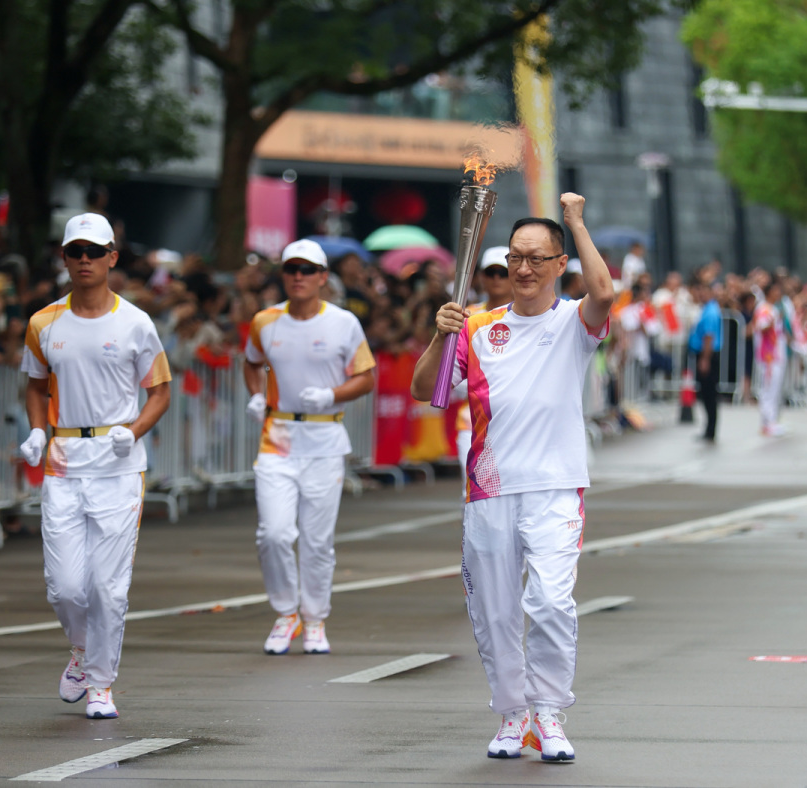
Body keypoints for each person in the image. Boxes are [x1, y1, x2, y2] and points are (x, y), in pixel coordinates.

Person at [410, 193, 614, 762]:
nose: (523, 269)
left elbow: (605, 293)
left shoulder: (574, 321)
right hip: (489, 490)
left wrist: (575, 220)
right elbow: (426, 391)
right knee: (495, 612)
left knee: (550, 602)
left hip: (553, 487)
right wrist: (438, 336)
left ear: (556, 266)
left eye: (536, 259)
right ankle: (511, 715)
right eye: (516, 257)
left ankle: (548, 712)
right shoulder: (475, 327)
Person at [18, 213, 171, 719]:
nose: (84, 260)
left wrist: (133, 430)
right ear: (64, 259)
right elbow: (35, 384)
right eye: (74, 252)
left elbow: (160, 391)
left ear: (112, 257)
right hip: (63, 462)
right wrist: (39, 430)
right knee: (64, 586)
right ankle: (82, 652)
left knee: (108, 586)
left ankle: (102, 683)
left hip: (119, 464)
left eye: (93, 252)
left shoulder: (134, 322)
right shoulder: (44, 322)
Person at [243, 238, 376, 656]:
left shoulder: (342, 323)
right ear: (284, 275)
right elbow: (251, 362)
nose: (298, 277)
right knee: (275, 533)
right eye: (291, 270)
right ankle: (287, 613)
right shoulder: (265, 321)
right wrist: (257, 395)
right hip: (278, 436)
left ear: (322, 277)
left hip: (324, 436)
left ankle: (315, 618)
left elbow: (366, 376)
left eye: (307, 271)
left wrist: (333, 395)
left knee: (317, 540)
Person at [455, 246, 514, 479]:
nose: (497, 278)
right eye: (491, 273)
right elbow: (450, 372)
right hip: (472, 423)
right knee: (472, 492)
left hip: (513, 425)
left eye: (503, 272)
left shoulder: (526, 316)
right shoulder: (466, 317)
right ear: (481, 277)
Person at [688, 277, 723, 442]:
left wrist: (705, 359)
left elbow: (709, 337)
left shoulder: (710, 311)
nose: (700, 294)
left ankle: (711, 430)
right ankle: (709, 428)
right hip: (704, 354)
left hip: (706, 355)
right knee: (706, 393)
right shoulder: (707, 309)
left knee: (709, 394)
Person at [753, 277, 788, 436]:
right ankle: (768, 423)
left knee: (774, 389)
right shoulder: (764, 308)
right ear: (769, 292)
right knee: (768, 388)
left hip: (776, 354)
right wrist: (770, 322)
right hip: (768, 356)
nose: (778, 293)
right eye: (776, 291)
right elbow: (761, 326)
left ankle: (771, 421)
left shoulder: (772, 308)